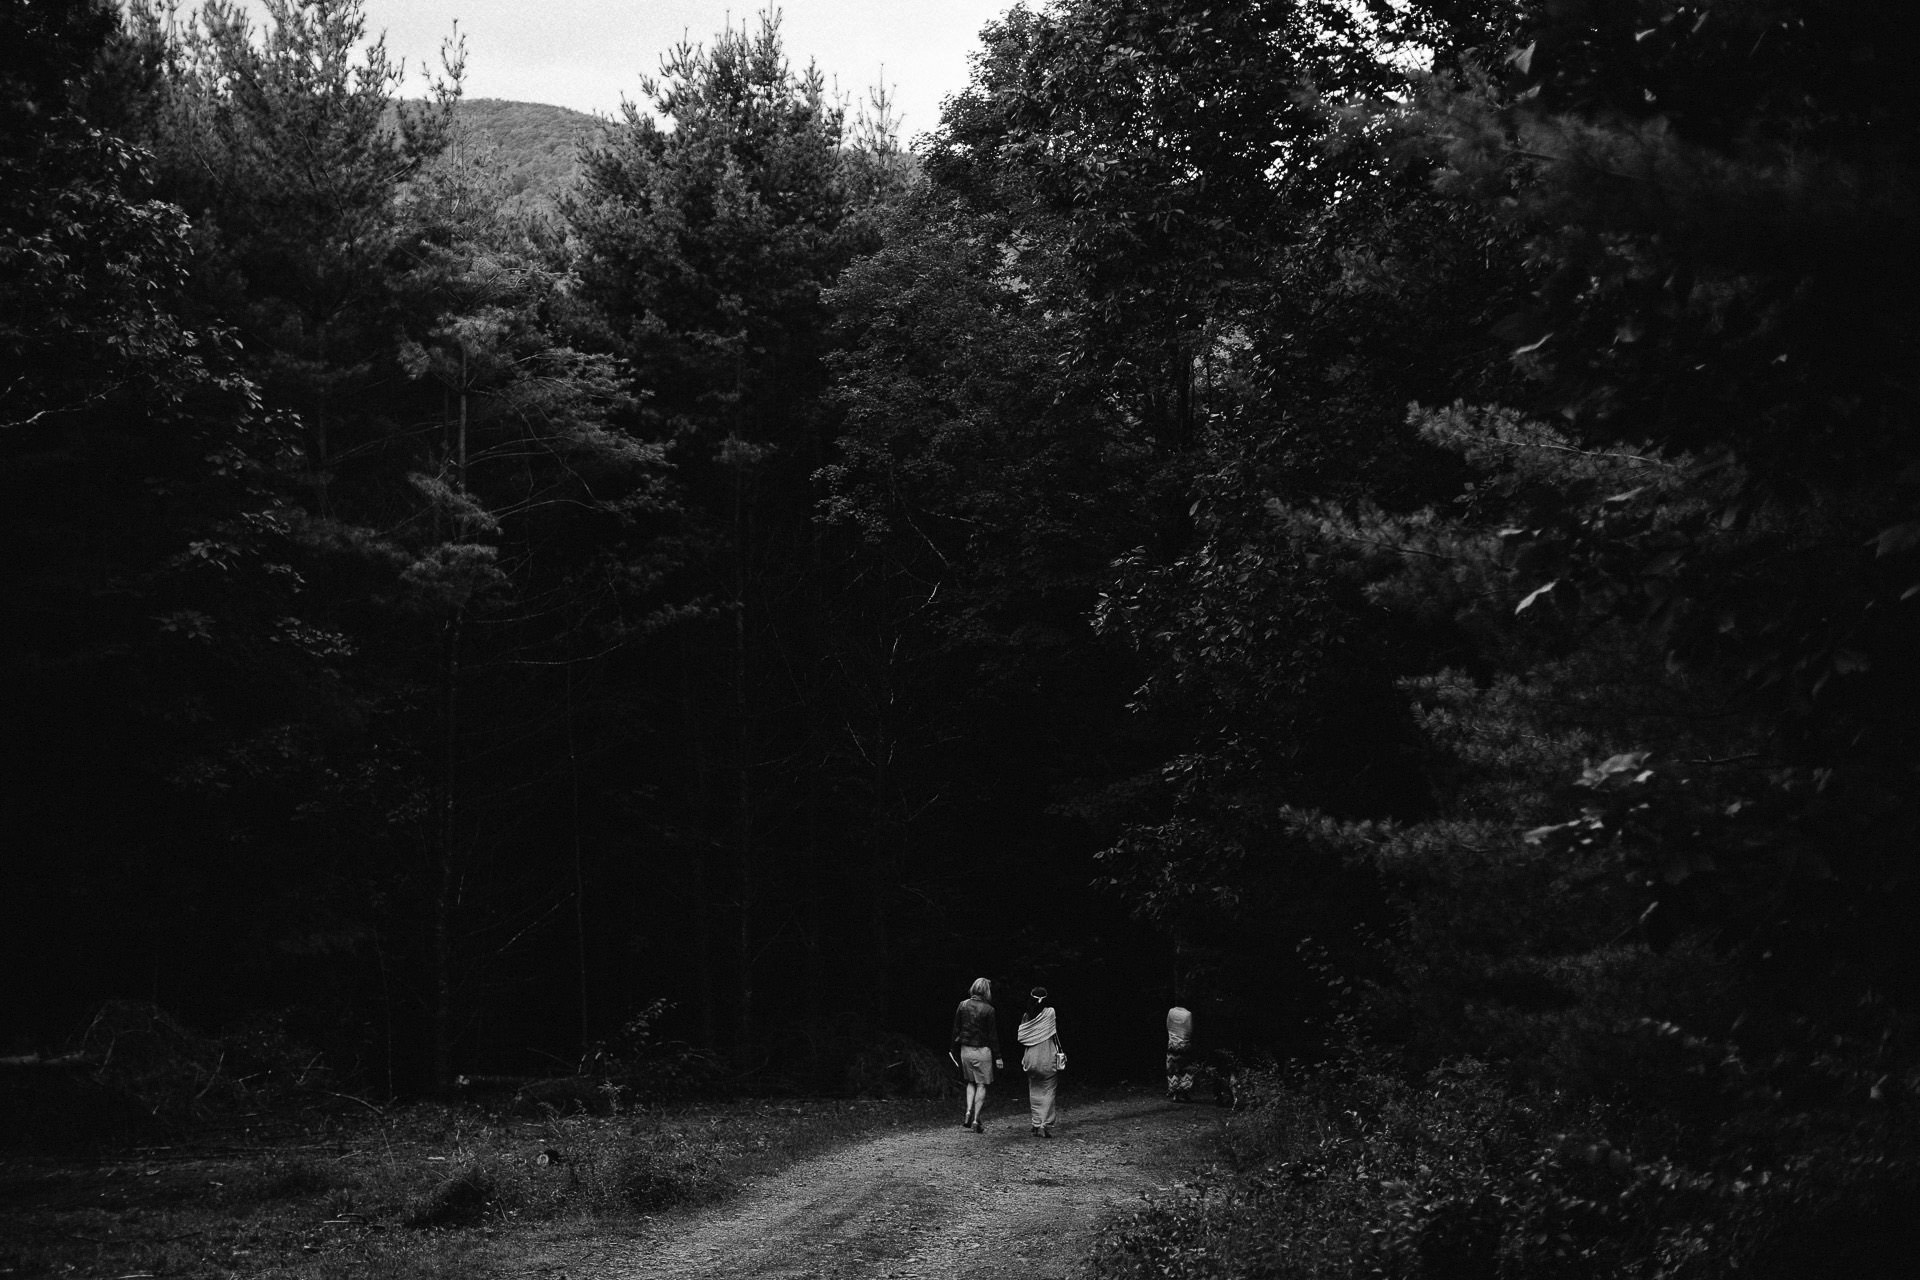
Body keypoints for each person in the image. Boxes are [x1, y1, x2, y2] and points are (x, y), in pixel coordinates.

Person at [950, 977, 1003, 1132]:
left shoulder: (962, 1005)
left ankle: (967, 1112)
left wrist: (953, 1049)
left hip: (965, 1050)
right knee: (981, 1084)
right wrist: (998, 1056)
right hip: (982, 1051)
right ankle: (975, 1119)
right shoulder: (989, 1010)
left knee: (970, 1082)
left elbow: (956, 1029)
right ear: (987, 991)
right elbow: (993, 1035)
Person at [1016, 987, 1065, 1137]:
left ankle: (1036, 1123)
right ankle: (1044, 1123)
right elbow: (1054, 1033)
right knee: (1049, 1089)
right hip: (1047, 1055)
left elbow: (1021, 1037)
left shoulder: (1026, 1016)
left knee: (1034, 1089)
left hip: (1031, 1057)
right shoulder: (1050, 1012)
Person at [1166, 1004, 1195, 1101]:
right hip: (1184, 1045)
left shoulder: (1171, 1011)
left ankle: (1174, 1092)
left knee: (1173, 1069)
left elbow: (1168, 1026)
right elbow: (1189, 1030)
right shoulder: (1188, 1014)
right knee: (1186, 1069)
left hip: (1172, 1044)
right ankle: (1184, 1092)